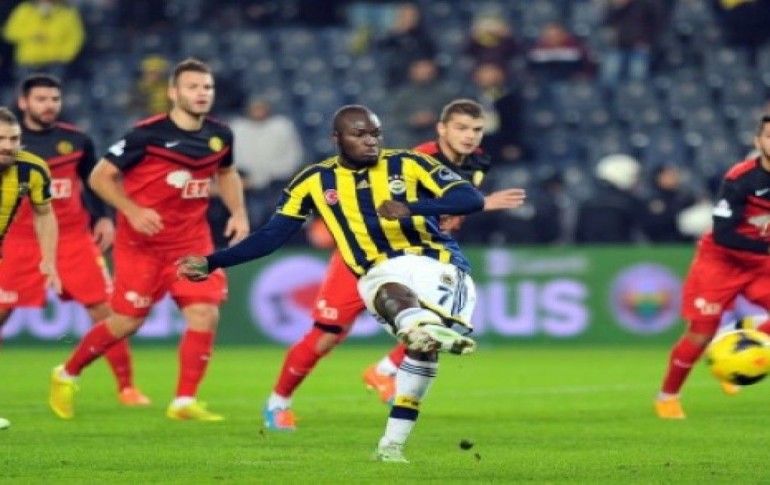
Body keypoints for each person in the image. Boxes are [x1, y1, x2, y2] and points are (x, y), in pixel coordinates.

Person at [178, 104, 523, 462]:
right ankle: (283, 401)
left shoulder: (409, 163)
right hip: (368, 266)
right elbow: (270, 236)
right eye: (360, 134)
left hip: (435, 262)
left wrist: (411, 209)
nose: (370, 141)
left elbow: (469, 198)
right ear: (337, 138)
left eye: (375, 134)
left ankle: (405, 370)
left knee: (423, 344)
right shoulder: (313, 181)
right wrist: (213, 261)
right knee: (332, 331)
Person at [48, 58, 249, 421]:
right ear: (173, 92)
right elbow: (99, 177)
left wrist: (238, 212)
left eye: (207, 87)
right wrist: (132, 210)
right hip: (142, 245)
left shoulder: (221, 135)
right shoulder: (146, 134)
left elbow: (227, 172)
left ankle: (184, 401)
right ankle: (67, 372)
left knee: (204, 312)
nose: (201, 94)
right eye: (192, 87)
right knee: (127, 321)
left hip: (191, 243)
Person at [0, 75, 149, 406]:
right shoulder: (8, 144)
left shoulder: (77, 140)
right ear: (23, 103)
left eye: (54, 99)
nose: (49, 105)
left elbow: (92, 181)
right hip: (17, 240)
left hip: (72, 239)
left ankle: (127, 387)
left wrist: (103, 217)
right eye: (41, 99)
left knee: (106, 311)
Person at [655, 115, 770, 419]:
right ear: (758, 142)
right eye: (769, 136)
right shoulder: (741, 179)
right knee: (701, 333)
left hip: (761, 262)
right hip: (721, 259)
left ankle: (742, 346)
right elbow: (724, 233)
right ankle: (667, 396)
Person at [0, 106, 60, 430]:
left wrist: (48, 259)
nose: (8, 146)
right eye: (1, 139)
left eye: (13, 139)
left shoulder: (33, 169)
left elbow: (44, 213)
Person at [229, 96, 304, 190]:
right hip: (242, 181)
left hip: (278, 183)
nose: (258, 111)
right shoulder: (237, 128)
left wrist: (261, 178)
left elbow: (293, 159)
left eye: (261, 107)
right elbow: (231, 159)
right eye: (255, 107)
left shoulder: (282, 126)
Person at [2, 0, 85, 82]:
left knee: (52, 88)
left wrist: (65, 55)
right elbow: (9, 32)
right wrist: (32, 33)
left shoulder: (66, 13)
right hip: (27, 62)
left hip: (55, 63)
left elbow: (76, 37)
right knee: (26, 87)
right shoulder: (25, 10)